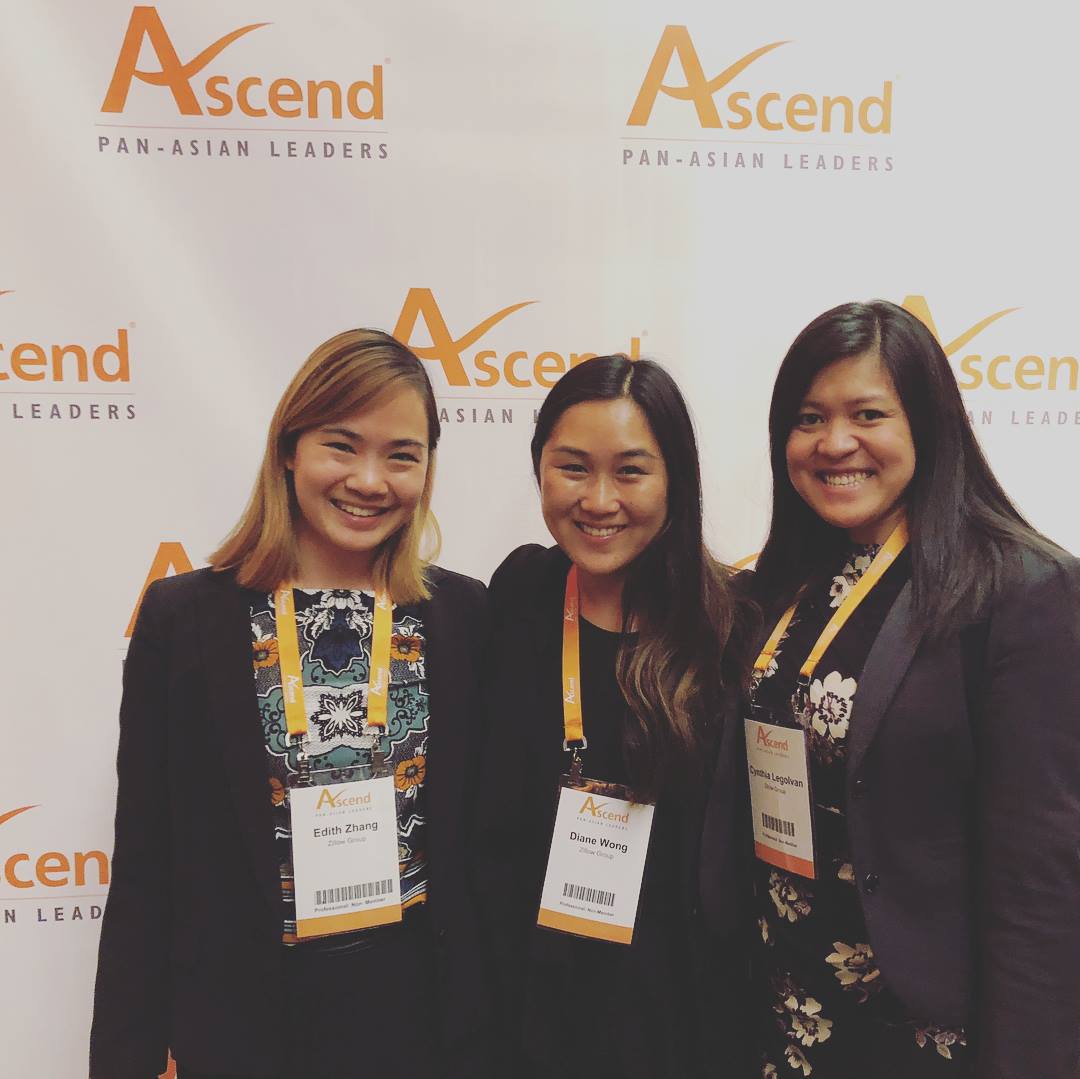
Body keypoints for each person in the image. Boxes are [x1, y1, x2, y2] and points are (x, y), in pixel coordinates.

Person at [90, 329, 491, 1079]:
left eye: (401, 454)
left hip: (420, 1019)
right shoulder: (185, 618)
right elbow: (146, 861)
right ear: (289, 448)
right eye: (342, 445)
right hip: (243, 1020)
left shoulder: (461, 615)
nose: (369, 480)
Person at [701, 300, 1080, 1078]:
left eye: (867, 413)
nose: (835, 442)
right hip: (784, 1007)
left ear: (928, 424)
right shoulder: (780, 584)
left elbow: (1038, 880)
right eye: (809, 418)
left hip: (920, 1029)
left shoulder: (1014, 589)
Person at [475, 354, 757, 1078]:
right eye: (573, 467)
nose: (599, 499)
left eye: (630, 471)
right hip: (529, 1009)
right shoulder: (518, 593)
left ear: (675, 480)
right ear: (539, 468)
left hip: (678, 1017)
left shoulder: (730, 624)